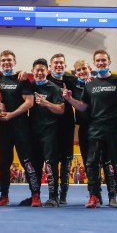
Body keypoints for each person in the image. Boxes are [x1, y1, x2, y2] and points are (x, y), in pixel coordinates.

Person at [64, 50, 117, 209]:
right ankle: (94, 195)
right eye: (98, 61)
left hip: (115, 129)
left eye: (103, 60)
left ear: (109, 61)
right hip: (95, 129)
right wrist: (69, 99)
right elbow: (83, 106)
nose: (101, 63)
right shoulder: (90, 85)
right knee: (92, 164)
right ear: (95, 63)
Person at [0, 50, 40, 206]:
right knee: (4, 163)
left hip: (21, 126)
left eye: (9, 60)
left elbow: (29, 102)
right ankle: (4, 196)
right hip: (4, 128)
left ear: (14, 62)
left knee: (27, 161)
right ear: (0, 62)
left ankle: (35, 195)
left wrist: (11, 115)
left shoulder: (22, 78)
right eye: (4, 60)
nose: (7, 63)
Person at [28, 58, 65, 208]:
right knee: (34, 165)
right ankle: (34, 196)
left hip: (50, 131)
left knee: (50, 164)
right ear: (33, 71)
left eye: (42, 70)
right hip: (32, 131)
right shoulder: (28, 86)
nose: (39, 73)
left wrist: (46, 103)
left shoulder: (54, 88)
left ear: (47, 71)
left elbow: (61, 109)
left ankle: (53, 196)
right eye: (37, 70)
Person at [47, 53, 77, 205]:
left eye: (61, 63)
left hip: (67, 125)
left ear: (65, 66)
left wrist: (88, 78)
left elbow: (84, 83)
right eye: (55, 63)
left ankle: (63, 195)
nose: (58, 65)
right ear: (50, 66)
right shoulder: (44, 80)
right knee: (51, 160)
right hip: (49, 126)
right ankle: (53, 195)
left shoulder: (71, 79)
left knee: (66, 161)